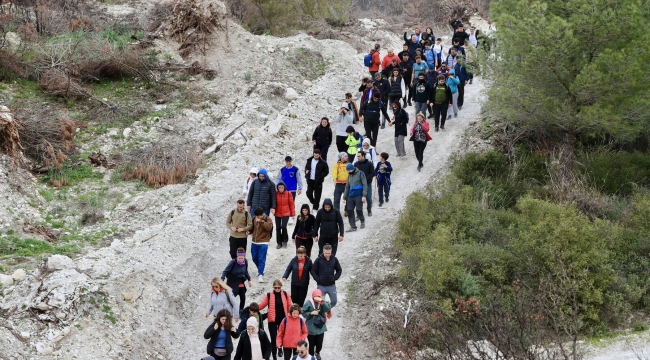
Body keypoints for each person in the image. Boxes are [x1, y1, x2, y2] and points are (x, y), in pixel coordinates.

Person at [259, 279, 292, 360]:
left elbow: (290, 306)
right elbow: (262, 305)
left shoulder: (285, 294)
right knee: (273, 339)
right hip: (272, 320)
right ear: (273, 287)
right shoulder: (269, 295)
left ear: (281, 287)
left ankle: (280, 348)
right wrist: (252, 308)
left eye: (278, 287)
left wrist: (294, 313)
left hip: (283, 320)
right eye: (275, 287)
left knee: (282, 337)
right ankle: (274, 357)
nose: (277, 289)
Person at [302, 289, 332, 359]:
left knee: (319, 344)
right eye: (316, 296)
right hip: (310, 327)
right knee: (312, 344)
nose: (317, 297)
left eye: (319, 296)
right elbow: (303, 313)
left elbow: (327, 308)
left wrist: (322, 302)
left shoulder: (323, 302)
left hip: (320, 327)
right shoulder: (308, 303)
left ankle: (317, 352)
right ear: (313, 296)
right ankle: (311, 356)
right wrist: (311, 313)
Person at [249, 207, 273, 283]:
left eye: (258, 216)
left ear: (262, 214)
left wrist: (261, 221)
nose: (257, 218)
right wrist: (248, 232)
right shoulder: (254, 219)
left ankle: (260, 274)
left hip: (264, 242)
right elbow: (252, 228)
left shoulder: (268, 219)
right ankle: (260, 269)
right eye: (256, 216)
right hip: (254, 242)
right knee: (254, 257)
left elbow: (269, 228)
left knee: (261, 258)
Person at [342, 163, 367, 231]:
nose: (348, 172)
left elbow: (364, 184)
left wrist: (364, 195)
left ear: (352, 169)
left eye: (348, 170)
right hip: (351, 195)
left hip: (359, 195)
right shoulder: (349, 176)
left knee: (359, 209)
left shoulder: (360, 173)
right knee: (350, 210)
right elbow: (347, 187)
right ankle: (353, 226)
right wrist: (344, 197)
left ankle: (362, 221)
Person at [275, 182, 295, 249]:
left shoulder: (288, 193)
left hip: (286, 212)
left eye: (282, 187)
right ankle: (279, 242)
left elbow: (291, 204)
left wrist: (293, 214)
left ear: (284, 187)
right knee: (278, 228)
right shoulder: (276, 194)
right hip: (277, 212)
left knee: (283, 226)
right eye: (279, 187)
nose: (280, 189)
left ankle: (285, 241)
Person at [354, 150, 375, 216]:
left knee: (368, 198)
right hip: (359, 184)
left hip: (367, 183)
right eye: (357, 156)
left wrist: (366, 179)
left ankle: (369, 209)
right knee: (359, 199)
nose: (358, 157)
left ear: (363, 156)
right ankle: (359, 213)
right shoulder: (356, 164)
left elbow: (372, 173)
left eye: (359, 156)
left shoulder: (369, 163)